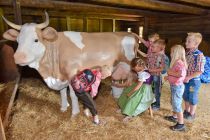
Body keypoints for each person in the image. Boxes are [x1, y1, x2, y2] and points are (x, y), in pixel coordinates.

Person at [183, 32, 206, 121]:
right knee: (185, 95)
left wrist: (189, 77)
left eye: (189, 41)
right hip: (186, 80)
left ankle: (192, 114)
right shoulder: (187, 53)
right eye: (186, 41)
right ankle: (186, 111)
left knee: (192, 96)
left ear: (196, 44)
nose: (186, 43)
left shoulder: (199, 55)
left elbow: (200, 71)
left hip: (193, 81)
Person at [164, 45, 187, 131]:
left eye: (172, 52)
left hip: (177, 87)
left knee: (177, 105)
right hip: (175, 86)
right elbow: (175, 73)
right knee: (174, 102)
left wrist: (170, 72)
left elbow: (181, 74)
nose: (170, 53)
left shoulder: (179, 63)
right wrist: (168, 76)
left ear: (176, 53)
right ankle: (174, 117)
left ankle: (181, 124)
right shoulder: (176, 63)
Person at [147, 39, 166, 111]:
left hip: (157, 76)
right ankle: (151, 103)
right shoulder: (151, 54)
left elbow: (162, 69)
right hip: (150, 75)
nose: (151, 48)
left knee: (156, 91)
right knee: (150, 90)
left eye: (153, 47)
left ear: (159, 48)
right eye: (151, 46)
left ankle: (157, 105)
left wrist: (152, 70)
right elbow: (148, 62)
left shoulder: (161, 56)